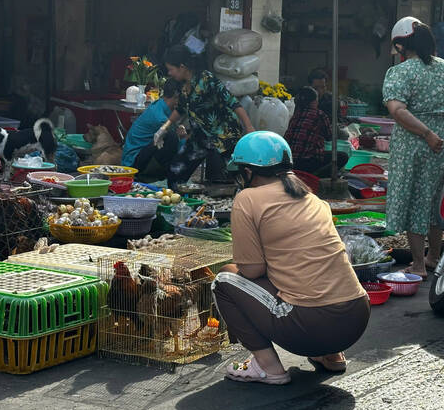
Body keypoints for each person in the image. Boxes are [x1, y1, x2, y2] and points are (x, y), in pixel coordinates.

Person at [212, 131, 370, 385]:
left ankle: (268, 367)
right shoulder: (314, 200)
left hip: (310, 327)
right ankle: (331, 355)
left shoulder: (247, 199)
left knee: (223, 280)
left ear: (249, 172)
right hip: (356, 318)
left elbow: (251, 270)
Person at [383, 16, 444, 278]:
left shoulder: (401, 72)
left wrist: (428, 134)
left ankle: (419, 265)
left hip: (416, 144)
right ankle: (434, 256)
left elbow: (397, 110)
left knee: (417, 201)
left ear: (401, 46)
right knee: (437, 201)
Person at [154, 44, 254, 185]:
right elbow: (180, 110)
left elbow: (233, 102)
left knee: (235, 176)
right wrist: (163, 128)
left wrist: (249, 129)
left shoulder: (206, 79)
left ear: (182, 67)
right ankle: (177, 201)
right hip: (200, 137)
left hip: (224, 137)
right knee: (175, 171)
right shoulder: (183, 86)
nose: (169, 73)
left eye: (171, 69)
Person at [121, 79, 184, 179]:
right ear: (177, 98)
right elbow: (178, 144)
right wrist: (182, 137)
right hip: (134, 163)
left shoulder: (159, 104)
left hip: (139, 155)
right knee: (171, 137)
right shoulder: (160, 118)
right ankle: (159, 176)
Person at [284, 86, 349, 177]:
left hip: (290, 161)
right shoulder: (319, 115)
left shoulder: (295, 115)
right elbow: (329, 137)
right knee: (342, 156)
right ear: (314, 101)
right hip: (308, 161)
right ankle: (317, 177)